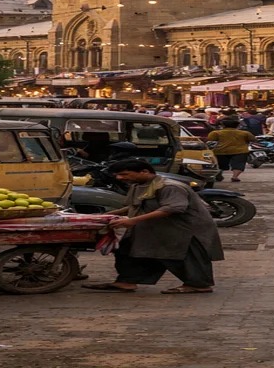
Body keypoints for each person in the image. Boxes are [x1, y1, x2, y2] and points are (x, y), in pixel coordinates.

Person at [82, 159, 223, 294]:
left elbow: (172, 209)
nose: (120, 178)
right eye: (118, 175)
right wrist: (104, 216)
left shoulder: (170, 187)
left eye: (124, 174)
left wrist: (133, 221)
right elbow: (133, 206)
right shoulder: (138, 186)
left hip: (185, 229)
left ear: (144, 171)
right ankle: (126, 281)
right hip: (157, 228)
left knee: (187, 257)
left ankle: (198, 285)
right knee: (128, 250)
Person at [206, 116, 254, 182]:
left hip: (221, 151)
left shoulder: (216, 133)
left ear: (223, 125)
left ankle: (218, 174)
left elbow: (210, 140)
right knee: (238, 164)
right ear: (237, 126)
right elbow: (253, 139)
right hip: (240, 151)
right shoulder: (245, 133)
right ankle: (235, 176)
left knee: (220, 165)